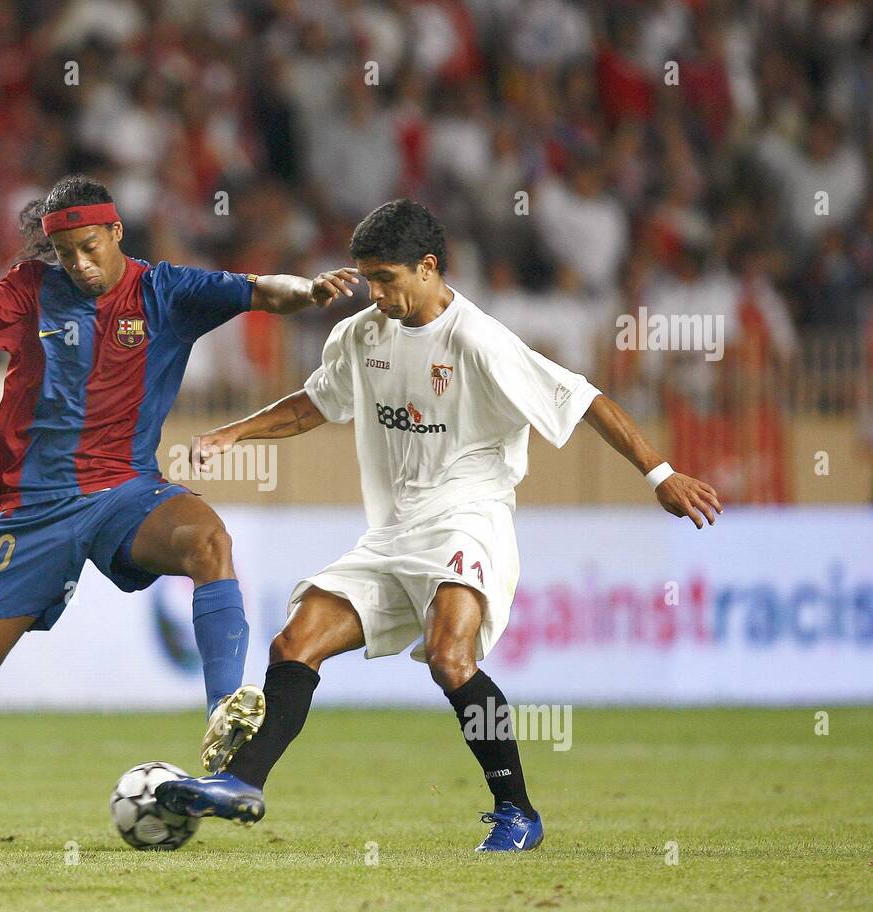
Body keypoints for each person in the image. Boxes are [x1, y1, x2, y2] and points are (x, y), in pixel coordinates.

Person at [156, 199, 722, 852]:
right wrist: (236, 432)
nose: (374, 292)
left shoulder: (479, 342)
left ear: (427, 268)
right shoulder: (361, 335)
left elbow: (585, 398)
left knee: (450, 657)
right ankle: (243, 783)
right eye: (366, 277)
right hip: (393, 532)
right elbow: (317, 402)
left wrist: (661, 474)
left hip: (468, 519)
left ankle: (517, 811)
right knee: (295, 641)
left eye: (386, 278)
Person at [0, 175, 358, 848]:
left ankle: (226, 707)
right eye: (67, 254)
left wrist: (311, 293)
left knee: (209, 541)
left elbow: (262, 289)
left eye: (89, 248)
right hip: (34, 508)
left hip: (125, 491)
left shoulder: (168, 291)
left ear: (115, 233)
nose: (79, 265)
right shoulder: (27, 289)